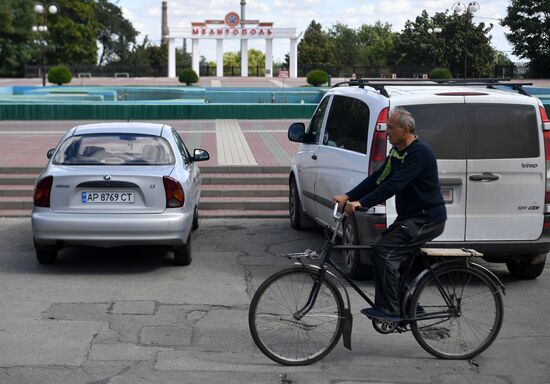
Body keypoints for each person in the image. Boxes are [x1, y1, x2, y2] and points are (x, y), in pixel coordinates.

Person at [332, 107, 447, 321]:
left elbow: (394, 184)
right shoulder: (397, 152)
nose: (387, 132)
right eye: (386, 128)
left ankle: (390, 309)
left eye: (391, 128)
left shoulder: (419, 152)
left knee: (383, 251)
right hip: (411, 217)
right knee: (392, 256)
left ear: (406, 129)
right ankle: (409, 305)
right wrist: (348, 196)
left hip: (426, 218)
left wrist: (361, 203)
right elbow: (378, 178)